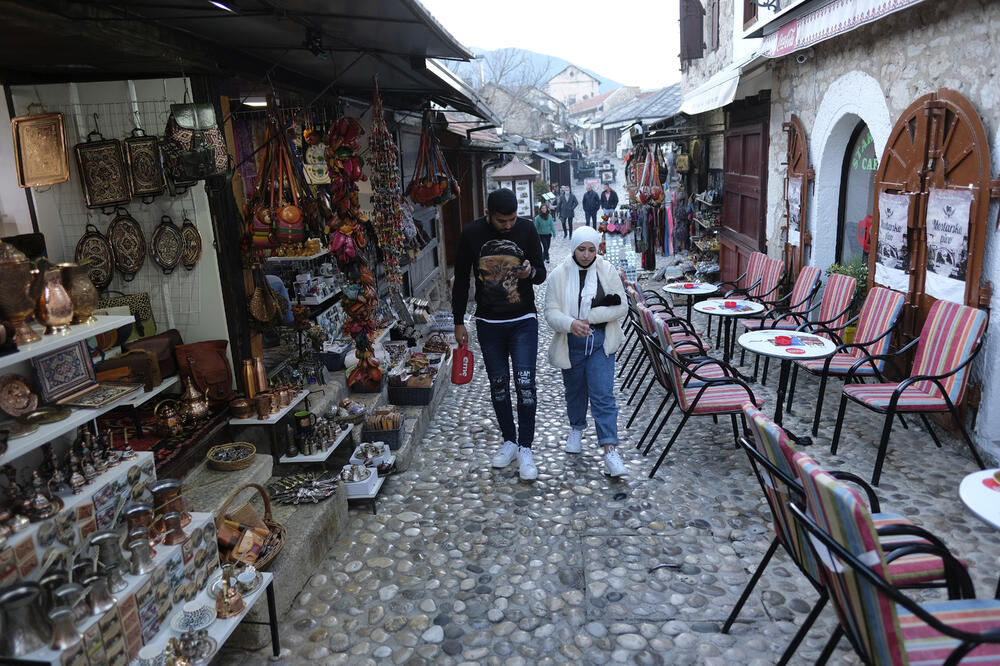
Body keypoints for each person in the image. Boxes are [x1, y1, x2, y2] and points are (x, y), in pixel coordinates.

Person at [453, 188, 547, 481]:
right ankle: (509, 440)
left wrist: (529, 273)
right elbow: (460, 280)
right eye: (501, 221)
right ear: (487, 215)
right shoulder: (470, 234)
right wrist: (458, 321)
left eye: (512, 220)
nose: (508, 225)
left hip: (523, 320)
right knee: (498, 385)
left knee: (525, 384)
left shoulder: (528, 229)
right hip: (488, 322)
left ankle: (526, 448)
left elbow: (541, 273)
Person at [543, 226, 629, 477]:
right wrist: (571, 324)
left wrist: (589, 317)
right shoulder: (559, 275)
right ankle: (577, 427)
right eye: (581, 249)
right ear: (573, 248)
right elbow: (551, 311)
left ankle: (610, 450)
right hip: (571, 342)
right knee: (575, 390)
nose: (586, 255)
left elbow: (621, 306)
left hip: (600, 341)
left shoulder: (607, 270)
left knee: (603, 394)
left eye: (592, 249)